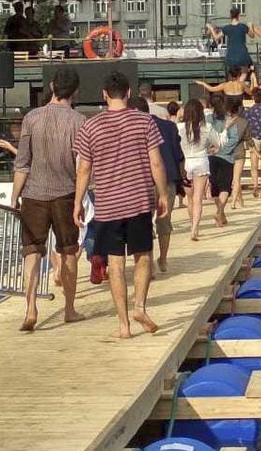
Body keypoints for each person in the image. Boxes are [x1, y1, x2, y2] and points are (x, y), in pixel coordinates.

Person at [73, 70, 169, 339]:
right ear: (129, 93)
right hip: (138, 201)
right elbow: (156, 162)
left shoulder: (90, 126)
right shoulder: (145, 122)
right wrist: (162, 194)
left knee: (115, 264)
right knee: (142, 257)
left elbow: (84, 169)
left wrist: (78, 201)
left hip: (107, 205)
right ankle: (140, 307)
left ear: (104, 95)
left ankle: (124, 326)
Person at [9, 67, 87, 332]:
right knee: (69, 252)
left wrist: (14, 197)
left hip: (33, 195)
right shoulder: (79, 121)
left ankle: (30, 308)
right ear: (75, 91)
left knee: (31, 253)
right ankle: (69, 309)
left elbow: (22, 164)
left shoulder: (31, 118)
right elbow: (83, 166)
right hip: (65, 194)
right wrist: (80, 200)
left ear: (52, 87)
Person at [130, 96, 183, 274]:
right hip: (167, 179)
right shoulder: (168, 126)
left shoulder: (133, 128)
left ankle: (149, 263)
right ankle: (164, 258)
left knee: (145, 222)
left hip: (141, 181)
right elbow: (178, 155)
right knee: (164, 222)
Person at [178, 99, 215, 241]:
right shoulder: (207, 127)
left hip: (186, 163)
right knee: (198, 198)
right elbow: (217, 142)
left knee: (190, 198)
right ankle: (195, 229)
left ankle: (191, 223)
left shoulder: (180, 128)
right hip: (201, 162)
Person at [206, 93, 242, 228]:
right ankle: (220, 212)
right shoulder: (229, 119)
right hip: (226, 157)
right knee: (225, 186)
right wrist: (223, 150)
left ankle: (221, 216)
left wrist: (211, 149)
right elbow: (234, 139)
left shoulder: (208, 119)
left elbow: (205, 135)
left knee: (215, 186)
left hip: (210, 156)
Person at [207, 7, 253, 74]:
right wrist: (250, 26)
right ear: (238, 15)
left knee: (232, 75)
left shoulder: (227, 28)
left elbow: (216, 38)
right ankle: (239, 83)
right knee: (244, 73)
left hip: (231, 55)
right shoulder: (243, 26)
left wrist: (211, 28)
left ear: (230, 16)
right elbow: (252, 35)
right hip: (242, 54)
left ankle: (235, 83)